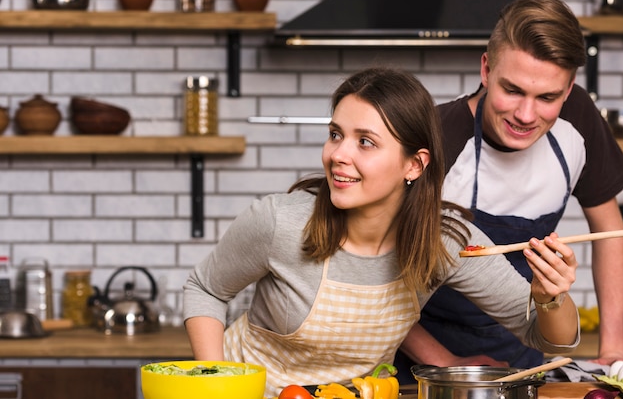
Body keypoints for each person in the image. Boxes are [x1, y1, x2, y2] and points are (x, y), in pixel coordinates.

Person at [183, 67, 580, 397]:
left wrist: (551, 297)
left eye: (366, 142)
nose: (338, 154)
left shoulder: (448, 243)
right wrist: (218, 385)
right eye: (336, 134)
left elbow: (551, 340)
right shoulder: (279, 222)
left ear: (414, 165)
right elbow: (205, 288)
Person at [395, 0, 623, 381]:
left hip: (523, 356)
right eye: (513, 90)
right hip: (422, 362)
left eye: (547, 97)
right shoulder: (437, 138)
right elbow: (373, 277)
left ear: (569, 90)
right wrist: (446, 364)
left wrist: (614, 348)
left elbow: (610, 232)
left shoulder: (579, 122)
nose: (525, 115)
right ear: (486, 69)